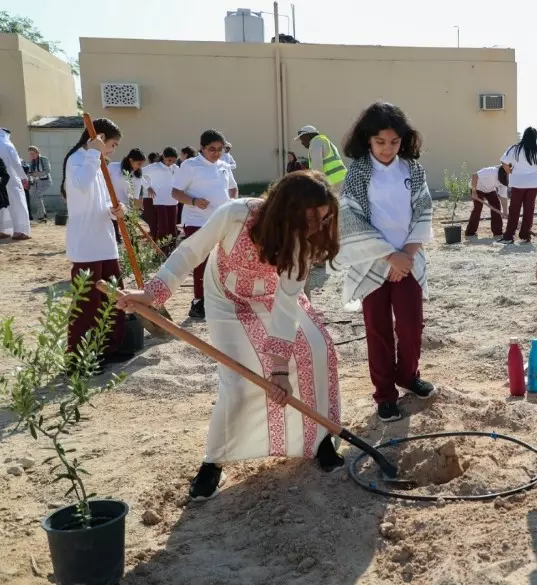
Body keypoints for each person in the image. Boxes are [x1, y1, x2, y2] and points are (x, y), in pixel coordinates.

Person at [116, 171, 344, 500]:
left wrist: (279, 368)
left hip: (273, 297)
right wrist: (152, 294)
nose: (315, 227)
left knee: (318, 349)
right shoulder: (235, 214)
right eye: (310, 217)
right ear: (286, 209)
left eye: (322, 219)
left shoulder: (301, 242)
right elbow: (190, 252)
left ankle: (320, 439)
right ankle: (214, 462)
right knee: (238, 382)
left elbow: (286, 303)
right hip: (227, 300)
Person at [338, 102, 436, 423]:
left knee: (410, 326)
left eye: (394, 142)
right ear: (367, 139)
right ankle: (384, 394)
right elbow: (351, 217)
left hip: (407, 260)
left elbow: (423, 211)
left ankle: (408, 375)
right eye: (380, 142)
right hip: (372, 263)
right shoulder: (357, 171)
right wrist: (388, 255)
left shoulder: (412, 169)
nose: (387, 148)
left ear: (403, 140)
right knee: (377, 330)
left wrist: (405, 254)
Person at [61, 118, 130, 366]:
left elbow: (99, 201)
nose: (112, 150)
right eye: (112, 144)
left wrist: (115, 210)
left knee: (113, 297)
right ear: (99, 138)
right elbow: (80, 187)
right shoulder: (78, 160)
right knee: (88, 302)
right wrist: (94, 152)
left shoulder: (98, 162)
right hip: (86, 243)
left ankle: (110, 348)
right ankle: (77, 358)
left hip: (105, 239)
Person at [171, 130, 239, 319]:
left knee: (221, 260)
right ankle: (198, 301)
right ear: (202, 148)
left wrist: (233, 202)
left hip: (222, 220)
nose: (216, 153)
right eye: (212, 149)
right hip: (196, 220)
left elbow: (233, 188)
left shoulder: (224, 165)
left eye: (220, 149)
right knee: (202, 260)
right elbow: (175, 192)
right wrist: (193, 201)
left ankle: (218, 299)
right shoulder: (190, 165)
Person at [499, 128, 537, 244]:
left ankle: (509, 236)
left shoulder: (515, 149)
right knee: (529, 210)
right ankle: (525, 235)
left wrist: (509, 171)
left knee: (514, 210)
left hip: (517, 183)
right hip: (532, 184)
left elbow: (504, 162)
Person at [144, 147, 179, 253]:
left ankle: (172, 250)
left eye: (173, 161)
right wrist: (148, 186)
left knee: (173, 228)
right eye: (169, 160)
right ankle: (161, 250)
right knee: (163, 227)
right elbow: (138, 174)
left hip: (173, 200)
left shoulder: (175, 168)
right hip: (159, 201)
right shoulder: (154, 167)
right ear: (163, 156)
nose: (171, 163)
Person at [107, 148, 145, 245]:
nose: (140, 167)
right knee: (112, 236)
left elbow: (134, 197)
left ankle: (134, 256)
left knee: (131, 236)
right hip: (109, 206)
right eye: (139, 164)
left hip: (125, 208)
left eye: (141, 164)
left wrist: (134, 213)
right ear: (131, 160)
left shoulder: (137, 176)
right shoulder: (113, 167)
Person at [295, 125, 347, 192]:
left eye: (302, 139)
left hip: (334, 183)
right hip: (342, 180)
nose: (302, 143)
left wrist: (315, 186)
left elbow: (317, 168)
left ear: (308, 135)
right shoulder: (324, 141)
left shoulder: (315, 142)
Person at [0, 128, 31, 240]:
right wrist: (24, 177)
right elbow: (17, 163)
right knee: (18, 204)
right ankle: (20, 231)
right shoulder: (7, 144)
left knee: (2, 205)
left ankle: (3, 230)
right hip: (12, 179)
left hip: (1, 181)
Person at [465, 165, 508, 238]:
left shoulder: (504, 181)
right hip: (477, 187)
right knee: (478, 207)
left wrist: (505, 212)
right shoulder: (491, 171)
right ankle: (470, 232)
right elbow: (474, 176)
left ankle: (497, 232)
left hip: (490, 190)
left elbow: (503, 197)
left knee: (496, 205)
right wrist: (474, 192)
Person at [27, 146, 51, 223]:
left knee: (37, 196)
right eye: (30, 154)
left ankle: (41, 216)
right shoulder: (31, 162)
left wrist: (38, 174)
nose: (32, 155)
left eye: (33, 154)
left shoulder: (44, 159)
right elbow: (29, 173)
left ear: (38, 152)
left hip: (44, 182)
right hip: (35, 182)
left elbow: (47, 170)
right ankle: (43, 215)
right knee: (35, 196)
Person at [176, 147, 196, 228]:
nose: (180, 156)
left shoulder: (186, 164)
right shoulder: (195, 163)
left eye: (181, 154)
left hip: (186, 193)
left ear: (186, 154)